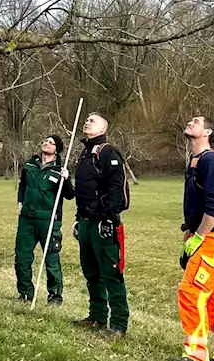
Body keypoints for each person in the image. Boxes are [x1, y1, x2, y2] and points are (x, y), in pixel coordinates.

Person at [169, 115, 214, 361]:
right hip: (209, 236)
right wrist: (189, 236)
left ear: (208, 132)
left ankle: (196, 356)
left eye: (196, 121)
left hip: (213, 238)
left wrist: (199, 237)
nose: (190, 122)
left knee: (191, 293)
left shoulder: (212, 160)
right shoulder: (195, 161)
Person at [71, 113, 130, 338]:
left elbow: (119, 190)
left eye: (93, 121)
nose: (87, 122)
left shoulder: (108, 153)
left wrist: (108, 217)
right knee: (91, 272)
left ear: (104, 128)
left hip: (104, 223)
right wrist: (78, 218)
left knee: (111, 273)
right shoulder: (84, 155)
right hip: (86, 222)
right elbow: (83, 192)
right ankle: (96, 316)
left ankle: (118, 324)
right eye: (86, 120)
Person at [13, 134, 73, 305]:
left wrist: (66, 179)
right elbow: (23, 185)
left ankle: (55, 296)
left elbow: (69, 195)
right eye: (46, 141)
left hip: (48, 220)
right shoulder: (30, 164)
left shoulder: (59, 169)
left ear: (57, 149)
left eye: (52, 143)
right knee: (22, 257)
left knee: (51, 259)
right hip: (27, 218)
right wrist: (20, 202)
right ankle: (25, 293)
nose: (47, 144)